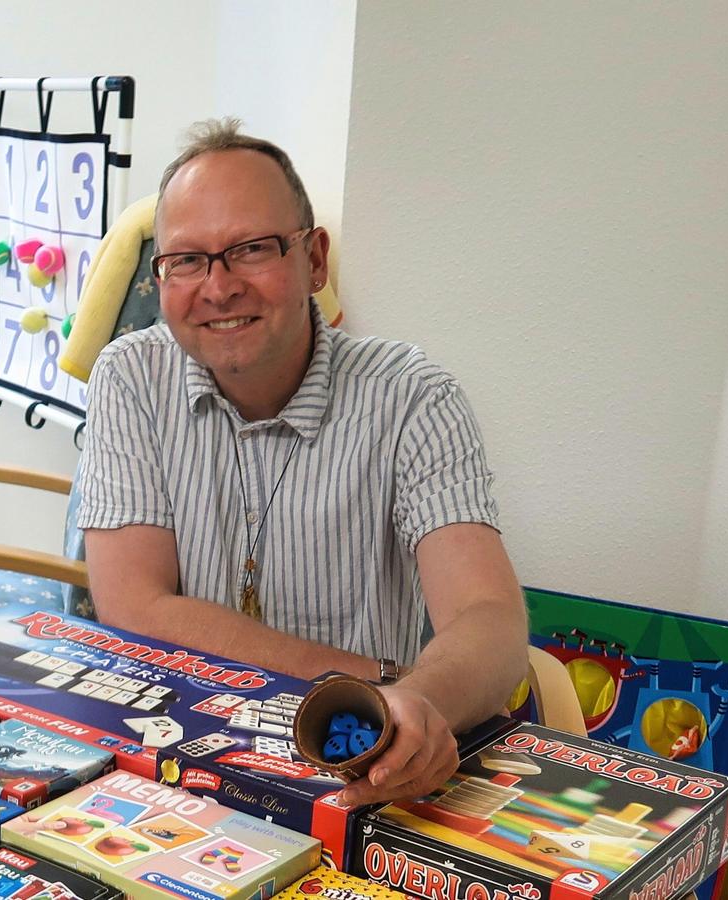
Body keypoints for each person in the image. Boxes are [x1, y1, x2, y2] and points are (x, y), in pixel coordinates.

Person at [77, 118, 527, 806]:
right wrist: (367, 681)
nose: (218, 288)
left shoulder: (412, 395)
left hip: (362, 770)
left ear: (314, 259)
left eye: (251, 249)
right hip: (170, 766)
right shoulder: (130, 377)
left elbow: (490, 618)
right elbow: (134, 606)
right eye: (187, 260)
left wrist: (414, 704)